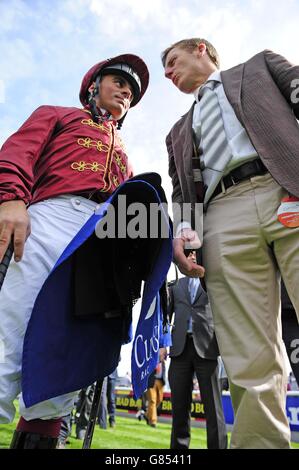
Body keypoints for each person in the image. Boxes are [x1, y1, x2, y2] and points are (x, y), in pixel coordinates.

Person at [0, 53, 149, 449]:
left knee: (64, 359)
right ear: (93, 86)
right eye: (118, 80)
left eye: (131, 90)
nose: (125, 90)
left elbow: (133, 216)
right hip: (48, 217)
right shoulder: (57, 114)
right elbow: (17, 154)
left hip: (100, 243)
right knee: (8, 337)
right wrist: (11, 200)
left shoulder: (126, 159)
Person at [162, 38, 299, 448]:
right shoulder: (176, 133)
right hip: (221, 215)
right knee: (247, 355)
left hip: (287, 187)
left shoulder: (260, 66)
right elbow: (181, 194)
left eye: (172, 61)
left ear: (200, 49)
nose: (168, 73)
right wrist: (183, 236)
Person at [168, 251, 227, 449]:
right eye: (188, 254)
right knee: (179, 409)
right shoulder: (175, 286)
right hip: (179, 352)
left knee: (213, 409)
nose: (192, 257)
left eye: (195, 254)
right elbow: (166, 318)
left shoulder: (215, 284)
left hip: (208, 349)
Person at [145, 349, 167, 428]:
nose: (162, 355)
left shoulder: (164, 362)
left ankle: (147, 414)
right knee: (152, 401)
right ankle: (153, 421)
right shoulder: (151, 358)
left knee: (159, 400)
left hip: (160, 382)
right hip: (151, 382)